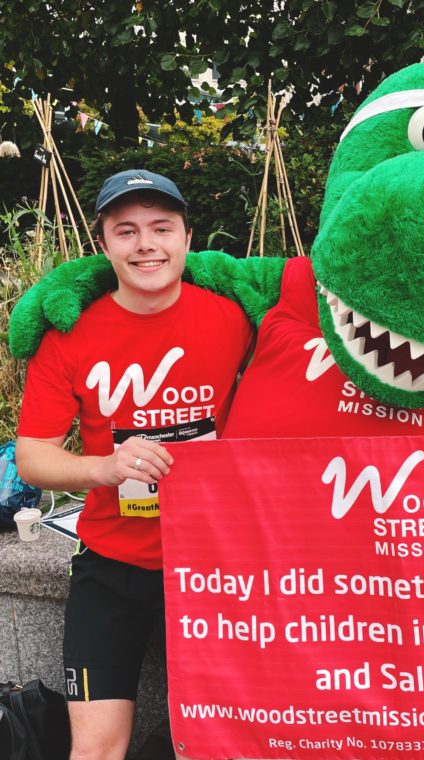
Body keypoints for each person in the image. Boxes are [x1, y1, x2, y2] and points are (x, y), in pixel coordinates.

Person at [15, 169, 253, 760]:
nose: (146, 244)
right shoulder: (68, 335)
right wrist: (104, 467)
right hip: (110, 564)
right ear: (104, 244)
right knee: (96, 747)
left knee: (215, 739)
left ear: (187, 238)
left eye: (161, 228)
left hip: (211, 565)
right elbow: (32, 456)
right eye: (126, 231)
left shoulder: (233, 319)